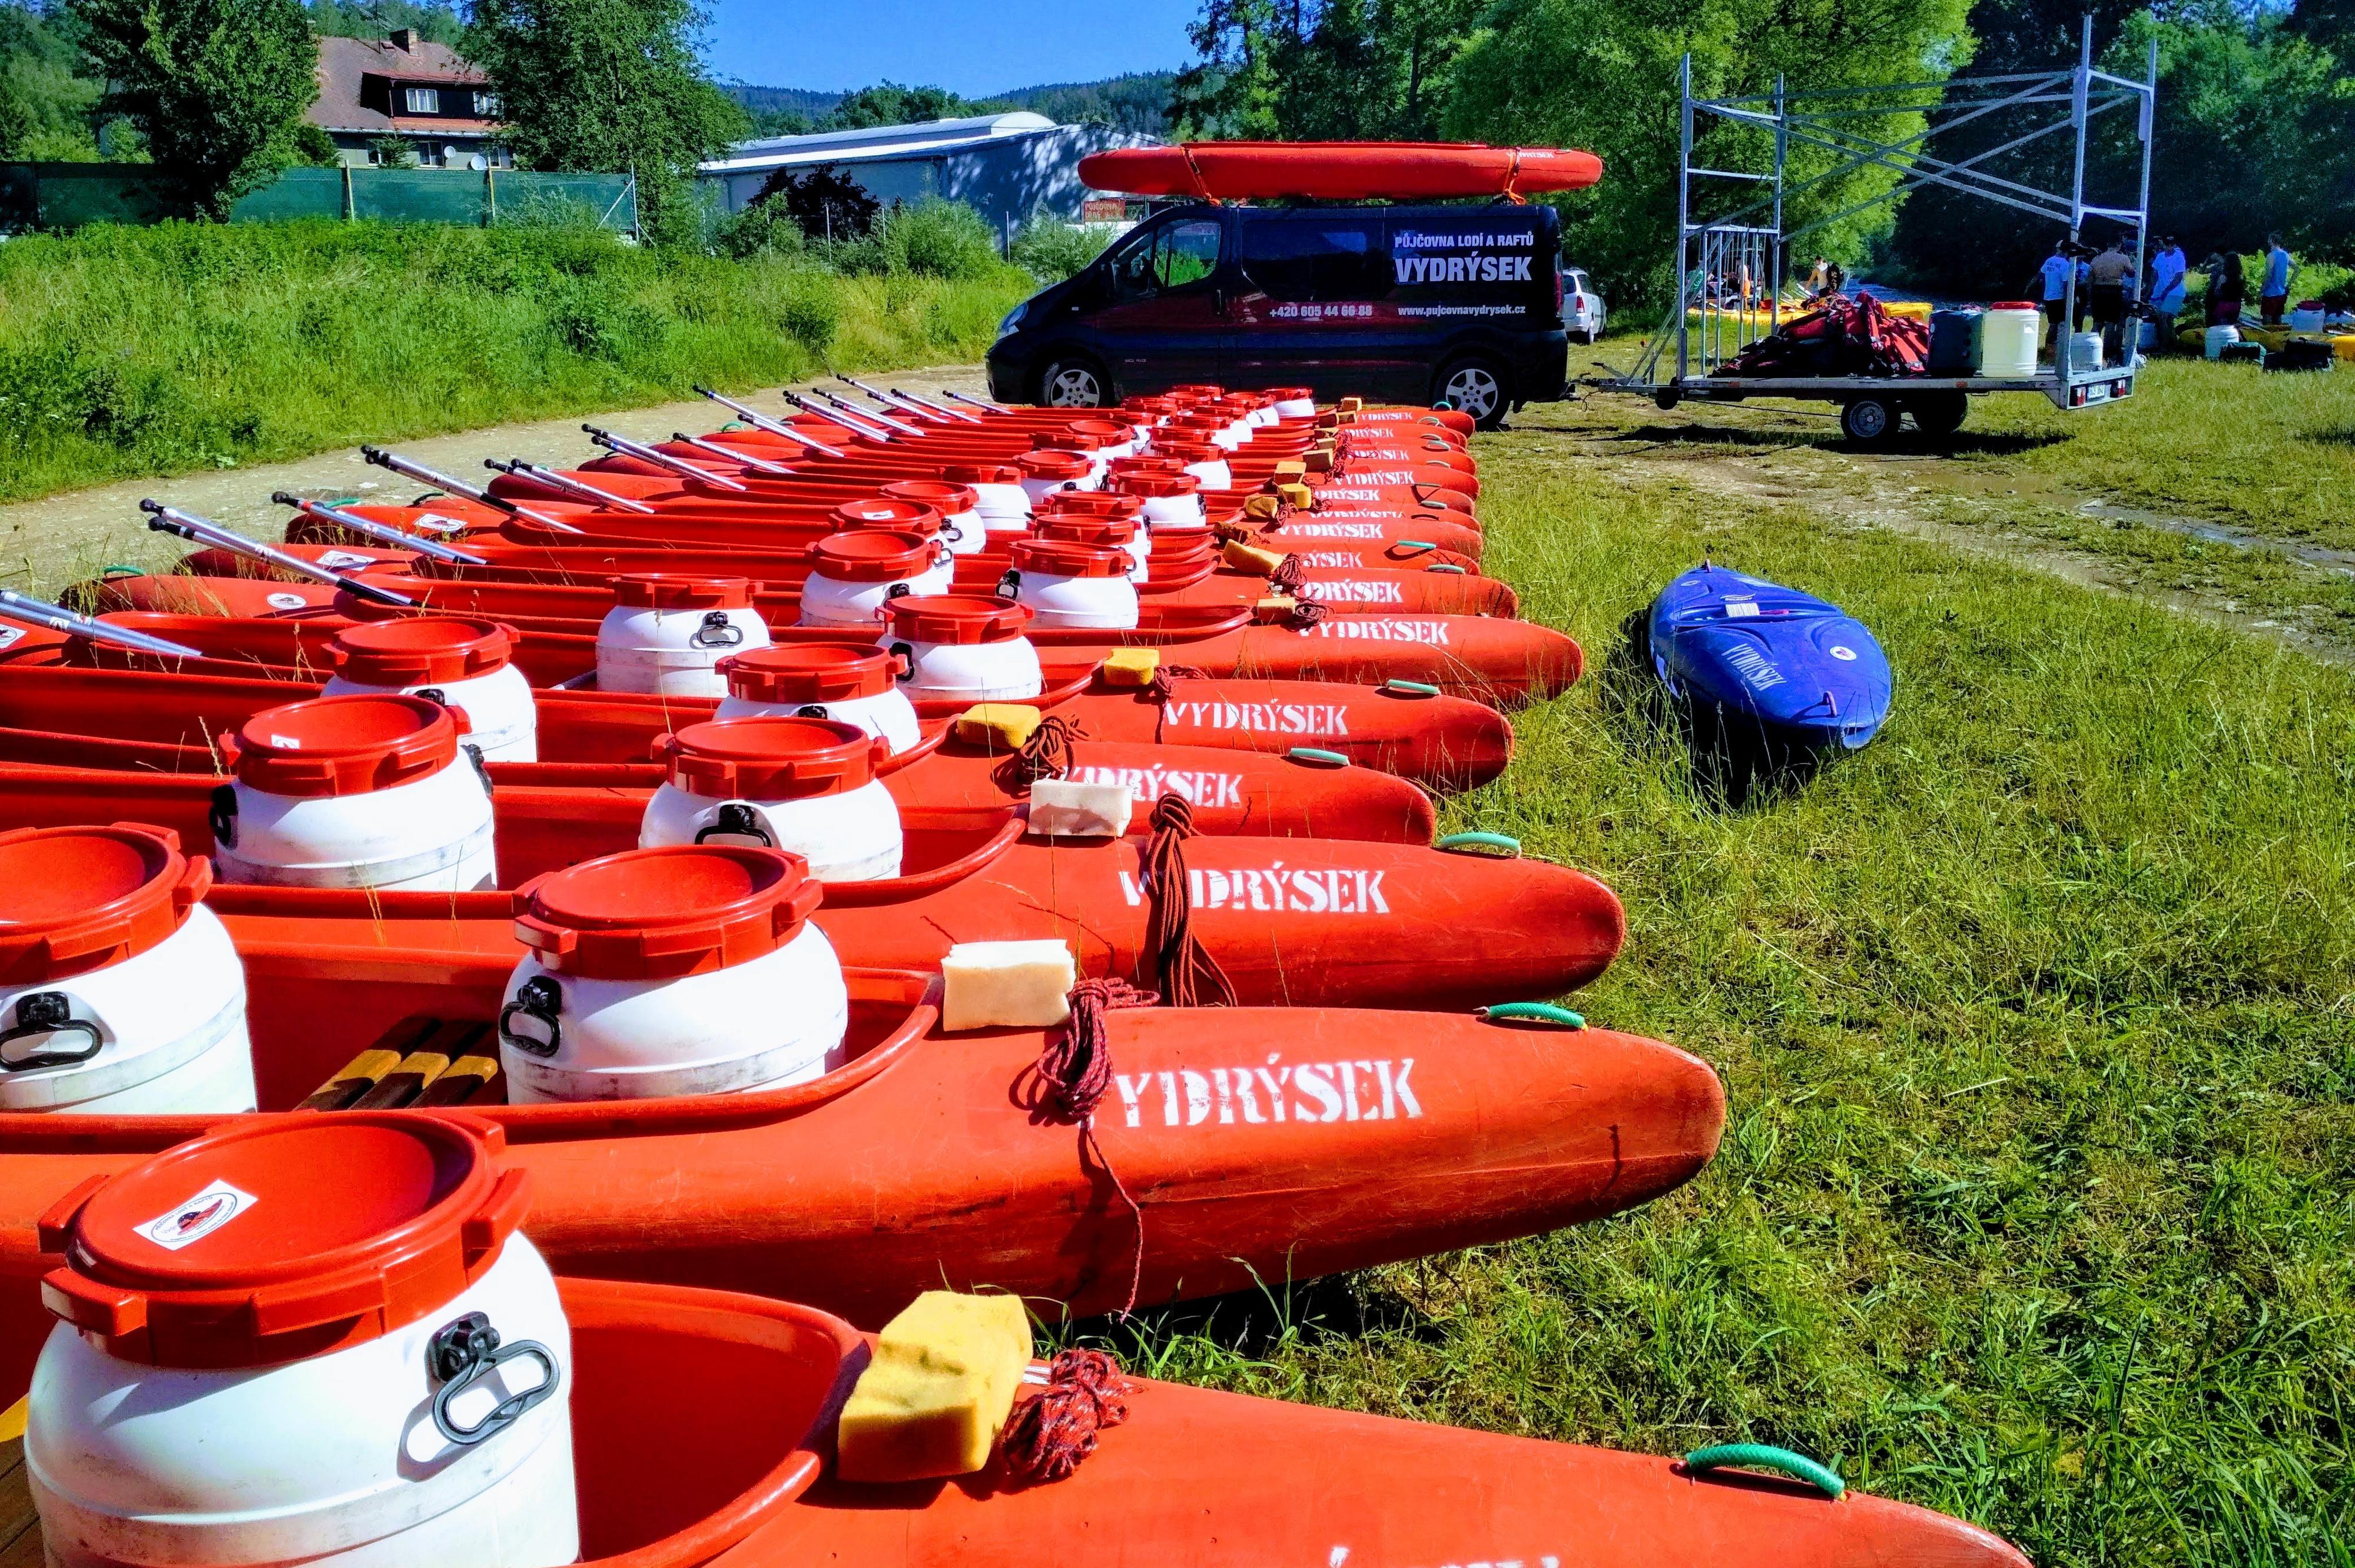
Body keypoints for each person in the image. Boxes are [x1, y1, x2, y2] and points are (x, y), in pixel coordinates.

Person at [2088, 239, 2131, 356]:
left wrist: (2090, 296)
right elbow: (2131, 273)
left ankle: (2091, 348)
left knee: (2097, 322)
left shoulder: (2096, 259)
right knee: (2111, 323)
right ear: (2119, 245)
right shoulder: (2123, 258)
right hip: (2114, 291)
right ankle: (2107, 351)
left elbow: (2090, 279)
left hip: (2098, 291)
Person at [2035, 241, 2077, 353]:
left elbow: (2041, 274)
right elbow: (2066, 283)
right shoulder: (2065, 264)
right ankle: (2053, 349)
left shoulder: (2050, 261)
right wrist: (2067, 300)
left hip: (2048, 296)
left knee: (2053, 324)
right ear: (2068, 251)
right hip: (2059, 298)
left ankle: (2049, 348)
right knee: (2060, 324)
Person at [2149, 235, 2189, 320]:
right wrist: (2150, 290)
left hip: (2175, 292)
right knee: (2154, 317)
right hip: (2159, 292)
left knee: (2165, 317)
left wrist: (2166, 291)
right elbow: (2155, 274)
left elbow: (2179, 277)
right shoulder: (2160, 256)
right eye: (2167, 245)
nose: (2170, 247)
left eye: (2172, 245)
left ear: (2175, 245)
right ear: (2164, 244)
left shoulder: (2179, 256)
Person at [2261, 234, 2295, 324]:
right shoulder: (2286, 255)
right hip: (2281, 292)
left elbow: (2269, 275)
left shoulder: (2271, 256)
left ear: (2272, 241)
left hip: (2270, 293)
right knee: (2278, 320)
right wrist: (2289, 284)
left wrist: (2262, 290)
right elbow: (2297, 269)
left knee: (2267, 320)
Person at [2205, 252, 2244, 326]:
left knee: (2222, 326)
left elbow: (2217, 291)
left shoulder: (2224, 276)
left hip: (2224, 305)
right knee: (2232, 326)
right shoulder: (2241, 277)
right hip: (2236, 305)